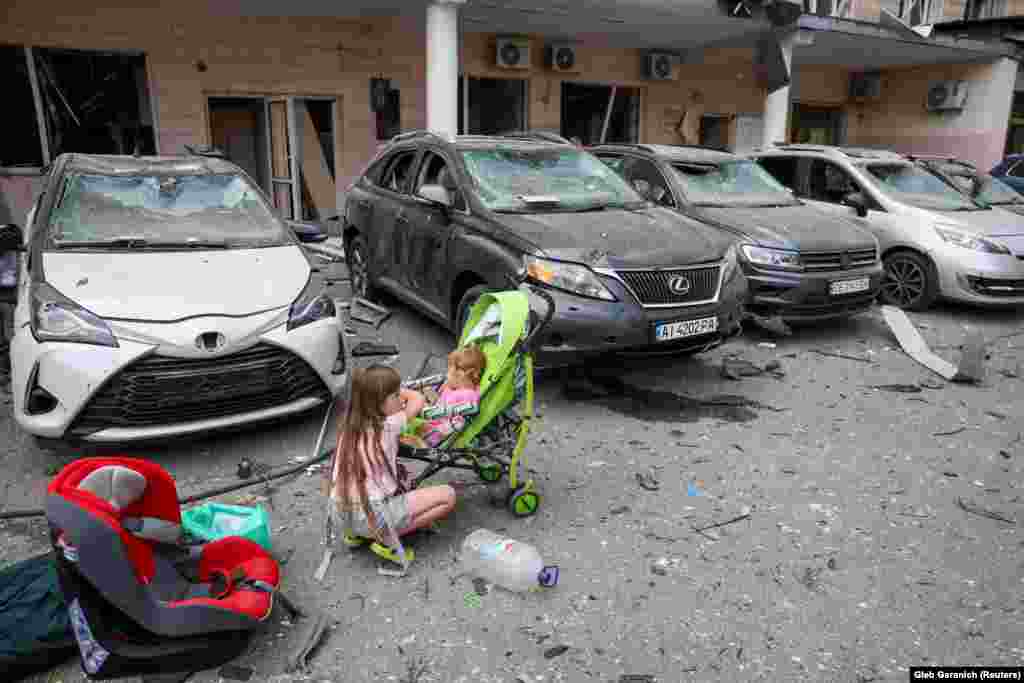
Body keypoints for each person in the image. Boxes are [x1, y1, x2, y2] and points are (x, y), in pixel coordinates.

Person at [330, 365, 457, 564]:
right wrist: (403, 387)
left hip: (340, 512)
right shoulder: (389, 425)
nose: (401, 399)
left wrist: (381, 387)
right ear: (378, 402)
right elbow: (418, 399)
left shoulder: (349, 424)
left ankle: (356, 535)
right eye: (395, 395)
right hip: (371, 515)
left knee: (399, 477)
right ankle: (384, 539)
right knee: (448, 496)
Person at [405, 345, 487, 448]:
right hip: (426, 422)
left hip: (430, 436)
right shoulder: (454, 386)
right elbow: (440, 403)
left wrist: (417, 406)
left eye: (449, 370)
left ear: (463, 374)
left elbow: (450, 424)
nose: (447, 374)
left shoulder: (469, 399)